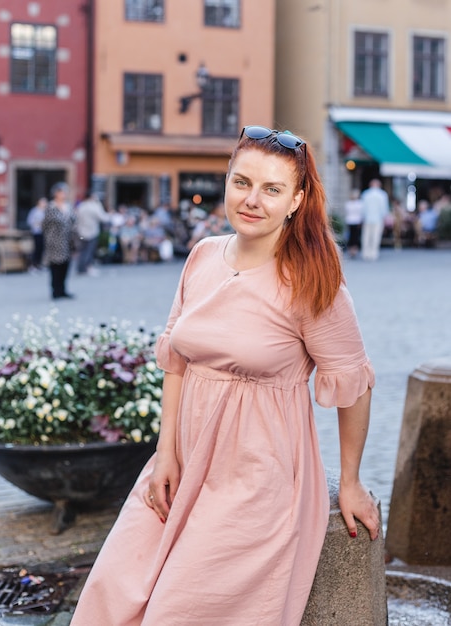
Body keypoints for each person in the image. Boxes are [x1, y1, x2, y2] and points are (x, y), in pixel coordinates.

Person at [71, 125, 379, 626]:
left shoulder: (311, 280)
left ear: (297, 199)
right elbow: (176, 361)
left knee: (181, 611)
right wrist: (165, 452)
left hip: (258, 472)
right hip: (184, 458)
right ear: (227, 182)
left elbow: (354, 384)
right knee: (114, 591)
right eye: (242, 182)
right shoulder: (202, 256)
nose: (252, 200)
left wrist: (349, 482)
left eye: (272, 189)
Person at [42, 182, 75, 300]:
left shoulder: (68, 206)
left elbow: (74, 221)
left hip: (67, 241)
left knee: (65, 266)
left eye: (65, 192)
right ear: (55, 193)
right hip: (54, 241)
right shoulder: (51, 207)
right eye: (61, 192)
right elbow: (45, 225)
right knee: (55, 266)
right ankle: (55, 290)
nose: (63, 194)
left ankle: (63, 289)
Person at [75, 190, 110, 274]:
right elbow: (104, 218)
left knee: (82, 250)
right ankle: (87, 267)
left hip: (81, 232)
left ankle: (80, 268)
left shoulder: (81, 206)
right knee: (90, 250)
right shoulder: (94, 206)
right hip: (92, 232)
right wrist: (99, 204)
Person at [360, 178, 389, 261]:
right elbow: (384, 208)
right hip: (378, 218)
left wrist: (363, 217)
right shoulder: (382, 194)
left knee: (366, 236)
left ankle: (365, 253)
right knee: (376, 236)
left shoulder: (366, 194)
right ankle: (373, 253)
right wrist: (384, 217)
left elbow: (363, 208)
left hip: (367, 218)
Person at [26, 196, 47, 269]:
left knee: (42, 249)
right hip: (37, 232)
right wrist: (37, 224)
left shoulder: (45, 211)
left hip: (44, 232)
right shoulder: (34, 211)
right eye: (43, 202)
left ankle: (39, 264)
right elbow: (30, 221)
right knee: (37, 249)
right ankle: (34, 265)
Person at [343, 188, 363, 258]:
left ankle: (351, 249)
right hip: (356, 221)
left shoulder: (348, 203)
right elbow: (361, 213)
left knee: (351, 236)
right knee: (355, 236)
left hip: (350, 220)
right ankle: (353, 249)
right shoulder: (359, 203)